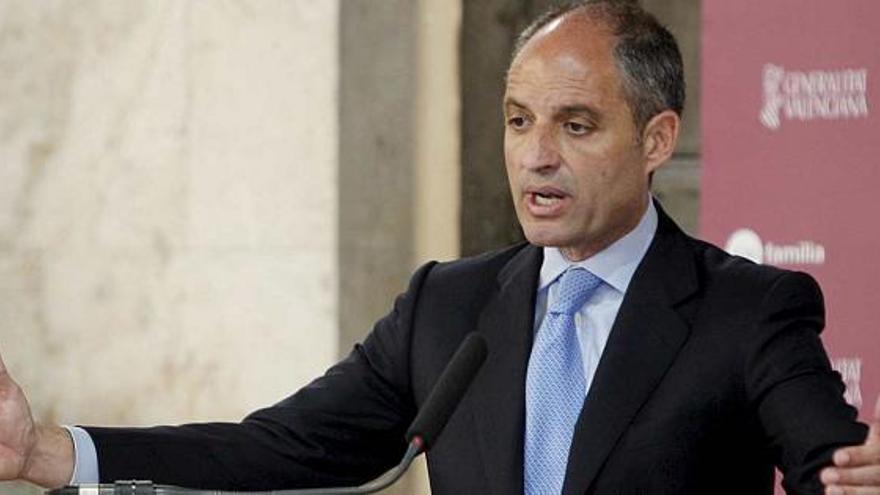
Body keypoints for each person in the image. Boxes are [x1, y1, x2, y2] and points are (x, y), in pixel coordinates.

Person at [2, 1, 879, 494]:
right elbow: (277, 448)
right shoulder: (448, 307)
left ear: (657, 140)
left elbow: (832, 470)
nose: (536, 154)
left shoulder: (748, 309)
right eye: (518, 121)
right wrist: (51, 453)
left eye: (576, 125)